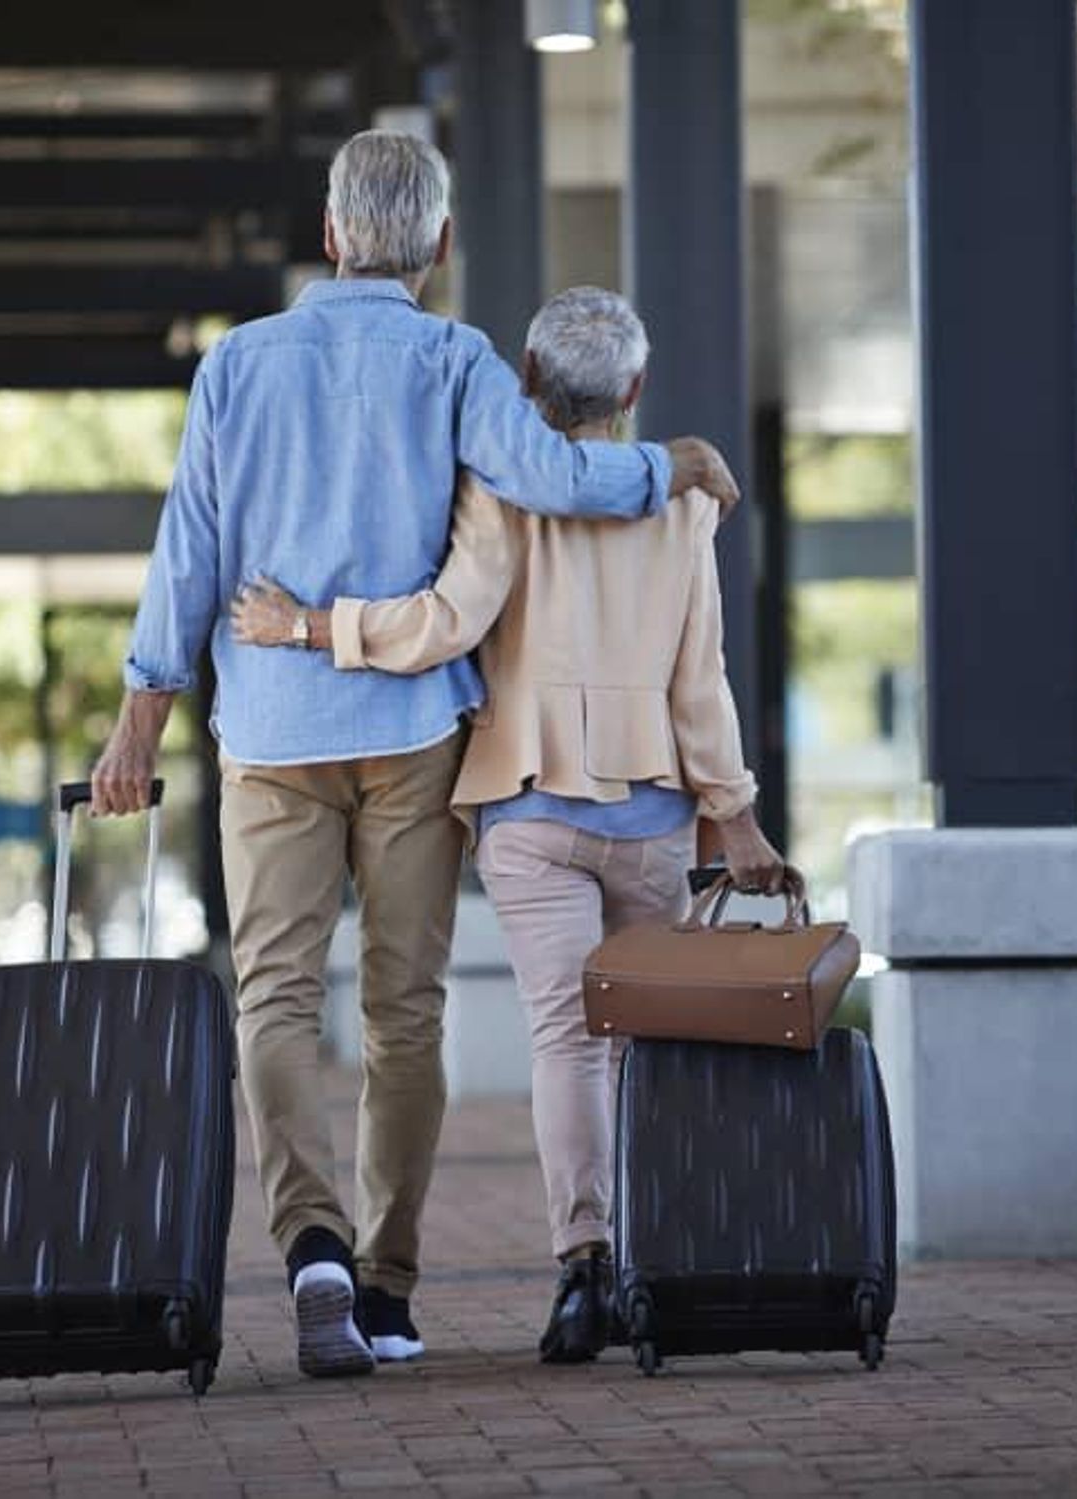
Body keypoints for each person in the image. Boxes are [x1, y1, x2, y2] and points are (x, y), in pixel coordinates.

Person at [90, 133, 739, 1380]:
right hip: (411, 739)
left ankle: (314, 1247)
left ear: (330, 236)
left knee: (273, 997)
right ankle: (385, 1289)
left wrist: (141, 714)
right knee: (403, 1012)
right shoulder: (454, 360)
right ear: (439, 249)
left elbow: (190, 544)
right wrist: (668, 466)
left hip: (271, 734)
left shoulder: (235, 363)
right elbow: (549, 474)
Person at [229, 285, 785, 1365]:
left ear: (523, 381)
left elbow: (446, 624)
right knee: (640, 1042)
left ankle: (580, 1268)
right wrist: (736, 814)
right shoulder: (683, 504)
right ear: (633, 390)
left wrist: (308, 625)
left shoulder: (498, 492)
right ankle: (648, 1263)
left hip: (528, 804)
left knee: (564, 1037)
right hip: (655, 808)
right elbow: (698, 679)